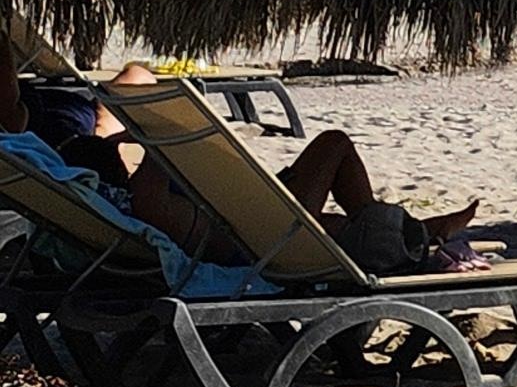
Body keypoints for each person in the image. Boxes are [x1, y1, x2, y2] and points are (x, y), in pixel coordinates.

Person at [64, 65, 481, 273]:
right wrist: (147, 133)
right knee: (333, 143)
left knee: (335, 221)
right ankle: (398, 238)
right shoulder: (148, 201)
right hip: (266, 239)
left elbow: (134, 74)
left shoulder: (125, 202)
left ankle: (411, 232)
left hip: (252, 222)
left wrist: (118, 138)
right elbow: (169, 149)